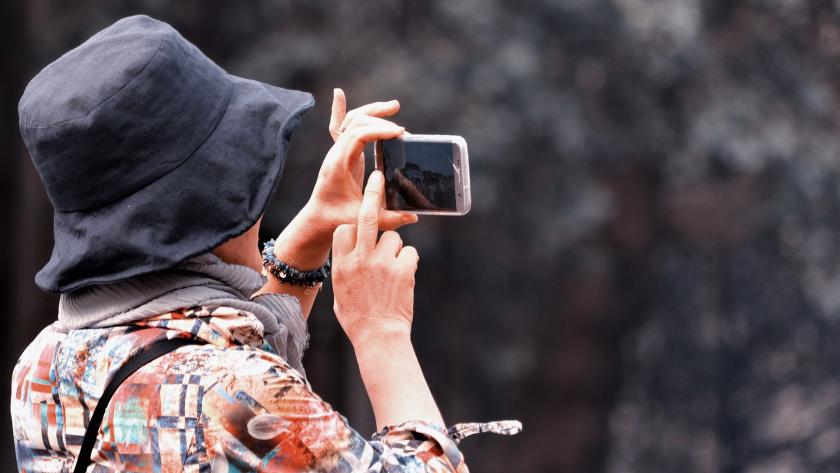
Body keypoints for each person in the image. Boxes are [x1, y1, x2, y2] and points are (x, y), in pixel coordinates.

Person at [10, 15, 519, 473]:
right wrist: (380, 331)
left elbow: (200, 369)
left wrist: (310, 238)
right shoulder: (233, 392)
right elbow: (235, 396)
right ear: (219, 198)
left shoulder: (42, 367)